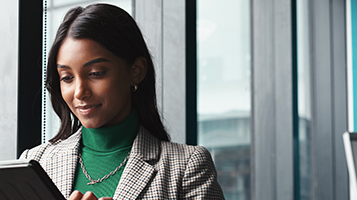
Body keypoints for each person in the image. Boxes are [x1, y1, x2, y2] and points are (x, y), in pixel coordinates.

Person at [19, 3, 224, 200]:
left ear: (136, 71)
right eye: (67, 77)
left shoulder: (186, 167)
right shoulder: (35, 163)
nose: (80, 92)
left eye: (95, 73)